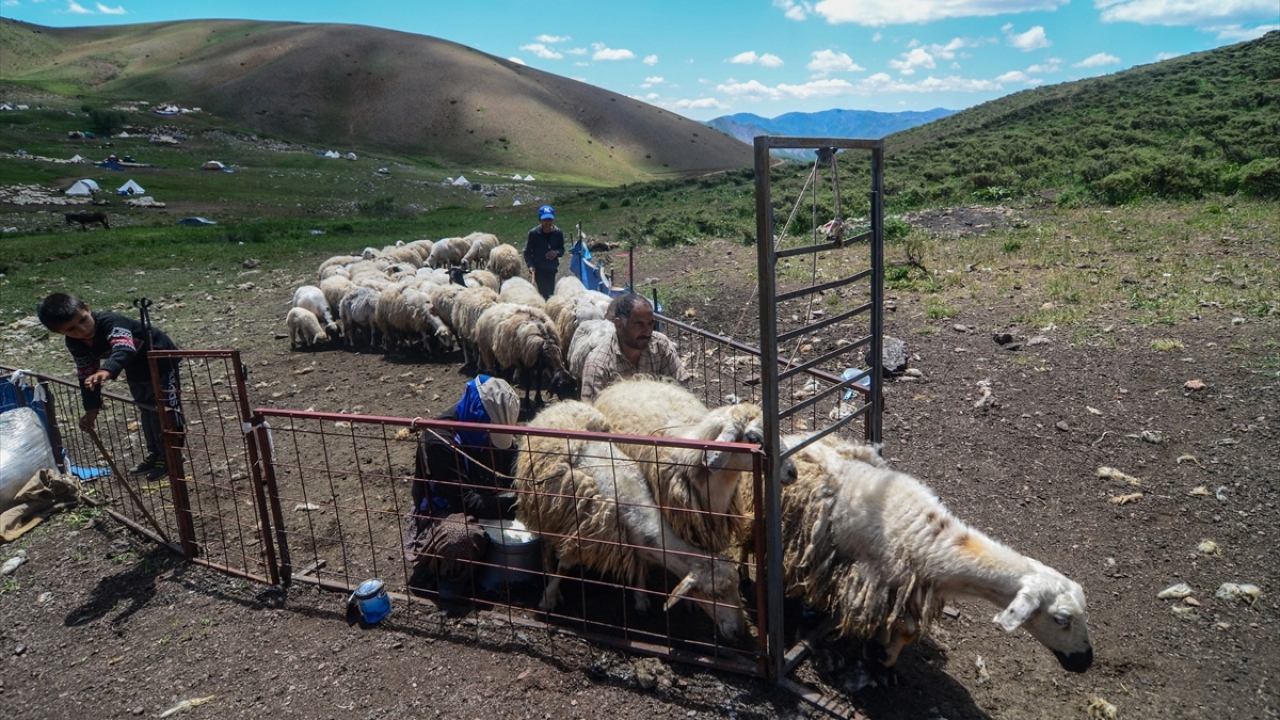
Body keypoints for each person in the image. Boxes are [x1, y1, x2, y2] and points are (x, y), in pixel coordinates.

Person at [37, 293, 183, 482]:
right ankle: (157, 454)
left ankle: (173, 455)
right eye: (72, 329)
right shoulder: (75, 343)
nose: (82, 330)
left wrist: (106, 370)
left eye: (83, 320)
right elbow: (86, 373)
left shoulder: (110, 322)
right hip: (135, 367)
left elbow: (124, 348)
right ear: (60, 333)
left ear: (87, 309)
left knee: (166, 409)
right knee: (147, 410)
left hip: (161, 360)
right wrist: (92, 409)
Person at [403, 375, 521, 581]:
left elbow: (512, 460)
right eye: (489, 435)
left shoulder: (480, 425)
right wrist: (519, 505)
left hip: (485, 494)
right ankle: (451, 577)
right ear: (477, 417)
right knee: (459, 538)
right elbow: (465, 502)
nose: (490, 440)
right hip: (446, 510)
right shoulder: (439, 441)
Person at [579, 292, 691, 403]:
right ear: (619, 326)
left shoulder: (661, 345)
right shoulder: (598, 364)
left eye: (650, 324)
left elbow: (682, 389)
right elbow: (592, 412)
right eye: (639, 324)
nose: (647, 331)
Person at [523, 204, 565, 299]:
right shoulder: (533, 234)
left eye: (549, 220)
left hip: (552, 269)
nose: (547, 222)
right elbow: (527, 251)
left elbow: (562, 249)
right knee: (547, 294)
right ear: (540, 220)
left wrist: (556, 252)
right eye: (545, 220)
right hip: (539, 269)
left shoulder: (558, 233)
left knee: (551, 292)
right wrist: (531, 265)